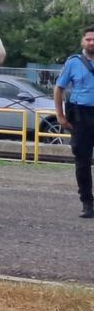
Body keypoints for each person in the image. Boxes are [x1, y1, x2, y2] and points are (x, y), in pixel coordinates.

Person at [54, 26, 94, 218]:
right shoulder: (73, 63)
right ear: (82, 42)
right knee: (83, 162)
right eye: (88, 39)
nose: (91, 42)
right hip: (81, 117)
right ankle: (87, 203)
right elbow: (59, 89)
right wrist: (60, 116)